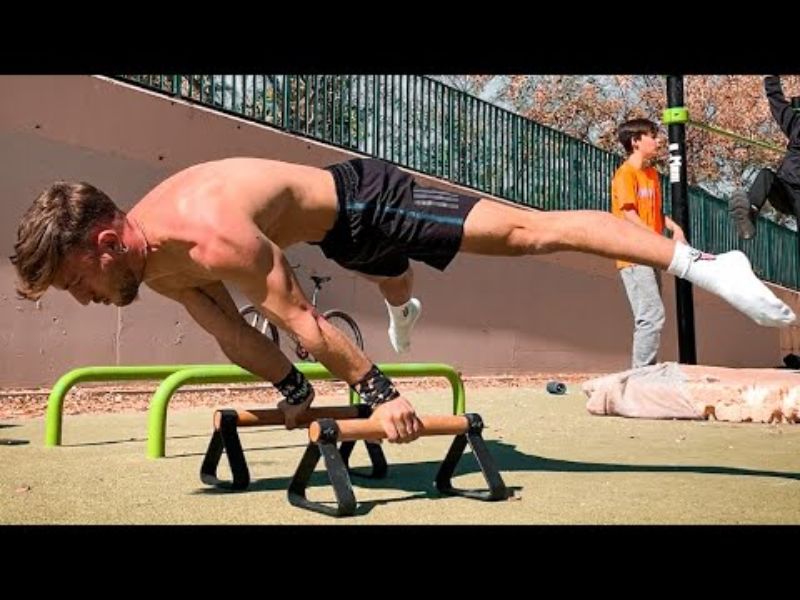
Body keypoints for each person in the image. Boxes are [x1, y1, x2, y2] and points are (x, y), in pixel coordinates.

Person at [10, 157, 796, 443]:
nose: (82, 300)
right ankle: (403, 306)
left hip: (366, 202)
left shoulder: (210, 235)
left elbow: (302, 323)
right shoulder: (158, 267)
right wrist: (289, 391)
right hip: (334, 237)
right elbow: (228, 332)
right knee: (391, 284)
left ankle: (702, 262)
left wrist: (378, 393)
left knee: (530, 232)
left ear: (104, 243)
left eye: (73, 280)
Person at [611, 118, 686, 368]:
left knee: (651, 316)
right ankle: (641, 375)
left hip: (650, 253)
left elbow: (653, 213)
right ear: (635, 141)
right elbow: (629, 215)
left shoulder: (651, 174)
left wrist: (674, 228)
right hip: (633, 255)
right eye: (652, 136)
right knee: (651, 316)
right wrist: (656, 239)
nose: (658, 141)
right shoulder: (625, 174)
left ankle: (646, 372)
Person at [729, 75, 800, 240]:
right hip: (784, 188)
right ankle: (750, 214)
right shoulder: (796, 124)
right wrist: (771, 78)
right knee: (766, 176)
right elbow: (778, 104)